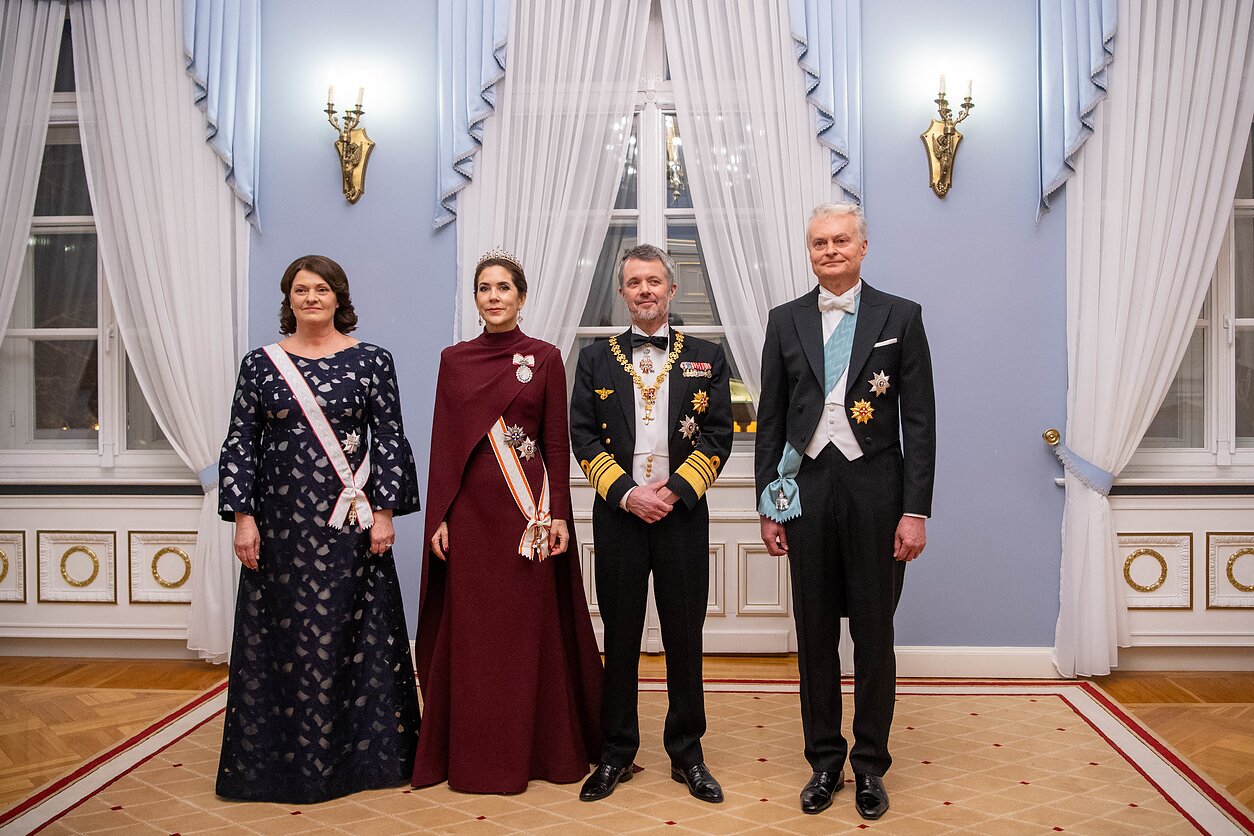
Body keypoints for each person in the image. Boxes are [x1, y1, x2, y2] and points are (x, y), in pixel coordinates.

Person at [216, 254, 422, 803]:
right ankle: (283, 764)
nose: (311, 298)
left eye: (321, 289)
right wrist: (243, 518)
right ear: (288, 300)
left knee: (353, 637)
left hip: (349, 524)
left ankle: (360, 761)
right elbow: (240, 444)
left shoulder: (372, 361)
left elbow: (391, 440)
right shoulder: (260, 365)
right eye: (301, 290)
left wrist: (383, 512)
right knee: (285, 641)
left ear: (339, 298)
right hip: (280, 527)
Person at [755, 203, 936, 819]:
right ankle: (824, 763)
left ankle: (869, 767)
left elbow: (920, 422)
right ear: (809, 252)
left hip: (878, 495)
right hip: (806, 492)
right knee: (813, 638)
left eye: (840, 241)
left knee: (874, 635)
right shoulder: (785, 321)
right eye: (818, 243)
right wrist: (770, 506)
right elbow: (772, 420)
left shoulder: (901, 317)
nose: (829, 250)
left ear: (864, 247)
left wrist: (915, 511)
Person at [411, 249, 603, 794]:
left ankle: (542, 750)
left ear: (521, 297)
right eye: (484, 288)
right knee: (476, 639)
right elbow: (444, 446)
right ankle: (473, 754)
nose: (493, 297)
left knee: (526, 637)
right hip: (472, 518)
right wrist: (439, 519)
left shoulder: (544, 357)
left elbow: (555, 441)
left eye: (503, 288)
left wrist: (560, 512)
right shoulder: (454, 359)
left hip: (529, 519)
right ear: (476, 299)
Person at [570, 244, 733, 804]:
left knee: (685, 636)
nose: (644, 290)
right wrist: (627, 494)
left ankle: (688, 753)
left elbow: (718, 435)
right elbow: (583, 436)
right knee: (619, 635)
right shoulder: (595, 358)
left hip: (681, 515)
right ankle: (615, 753)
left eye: (654, 282)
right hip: (619, 514)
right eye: (634, 282)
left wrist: (676, 491)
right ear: (622, 293)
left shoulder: (707, 354)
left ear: (672, 290)